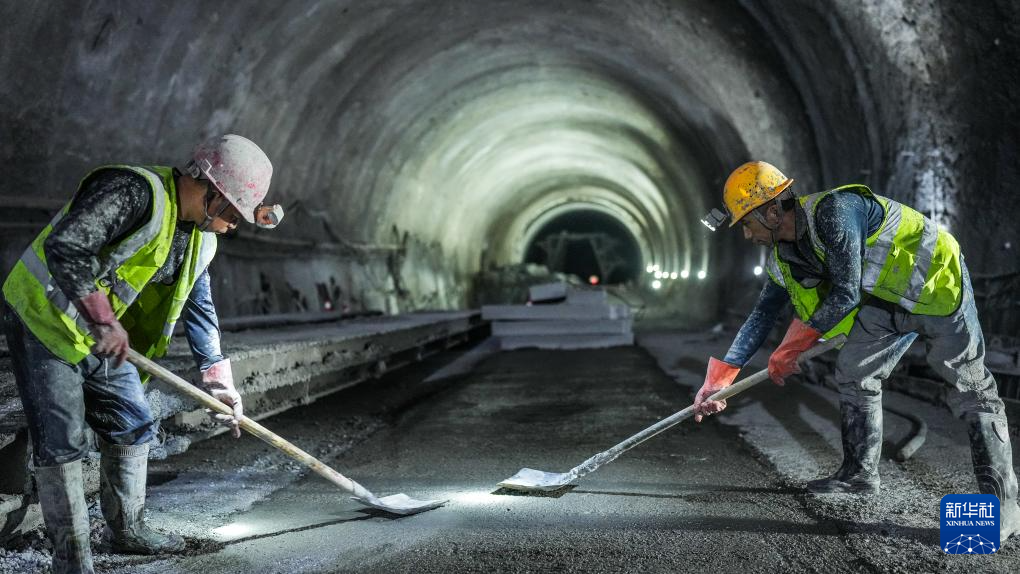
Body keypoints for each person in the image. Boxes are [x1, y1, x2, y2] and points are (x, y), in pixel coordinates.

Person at [693, 160, 1018, 545]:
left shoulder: (834, 211)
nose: (746, 235)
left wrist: (794, 346)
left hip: (936, 286)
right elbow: (763, 314)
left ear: (771, 211)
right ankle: (858, 475)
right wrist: (720, 379)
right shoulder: (785, 254)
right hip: (884, 301)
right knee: (853, 372)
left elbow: (846, 290)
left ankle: (1003, 508)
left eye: (746, 223)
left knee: (970, 389)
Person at [1, 134, 284, 574]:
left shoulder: (200, 239)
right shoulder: (134, 191)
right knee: (62, 441)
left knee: (133, 421)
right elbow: (66, 247)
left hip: (95, 333)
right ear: (213, 191)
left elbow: (199, 307)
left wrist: (218, 381)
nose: (235, 226)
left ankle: (127, 529)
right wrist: (104, 320)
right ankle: (72, 560)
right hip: (44, 317)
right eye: (235, 214)